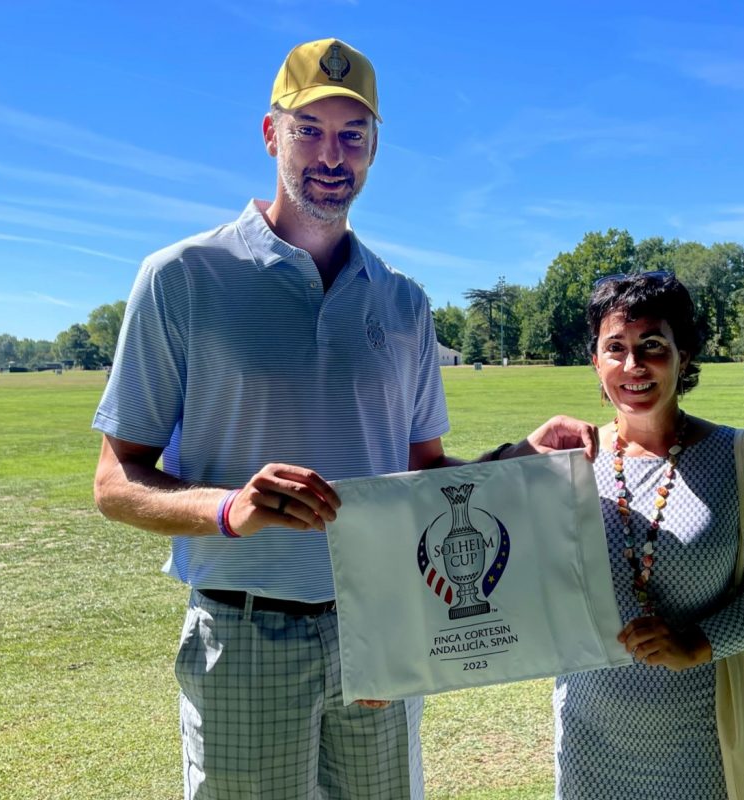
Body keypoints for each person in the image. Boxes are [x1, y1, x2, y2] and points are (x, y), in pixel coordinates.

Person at [91, 38, 596, 800]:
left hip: (383, 627)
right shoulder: (182, 278)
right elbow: (114, 481)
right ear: (271, 134)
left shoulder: (403, 300)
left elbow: (424, 477)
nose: (332, 155)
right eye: (310, 130)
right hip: (246, 635)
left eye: (353, 135)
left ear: (374, 148)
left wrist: (518, 459)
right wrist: (230, 509)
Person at [553, 272, 744, 799]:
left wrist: (695, 644)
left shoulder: (740, 456)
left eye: (652, 346)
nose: (633, 365)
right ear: (595, 361)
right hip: (587, 742)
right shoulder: (567, 463)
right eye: (615, 347)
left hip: (705, 743)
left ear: (683, 356)